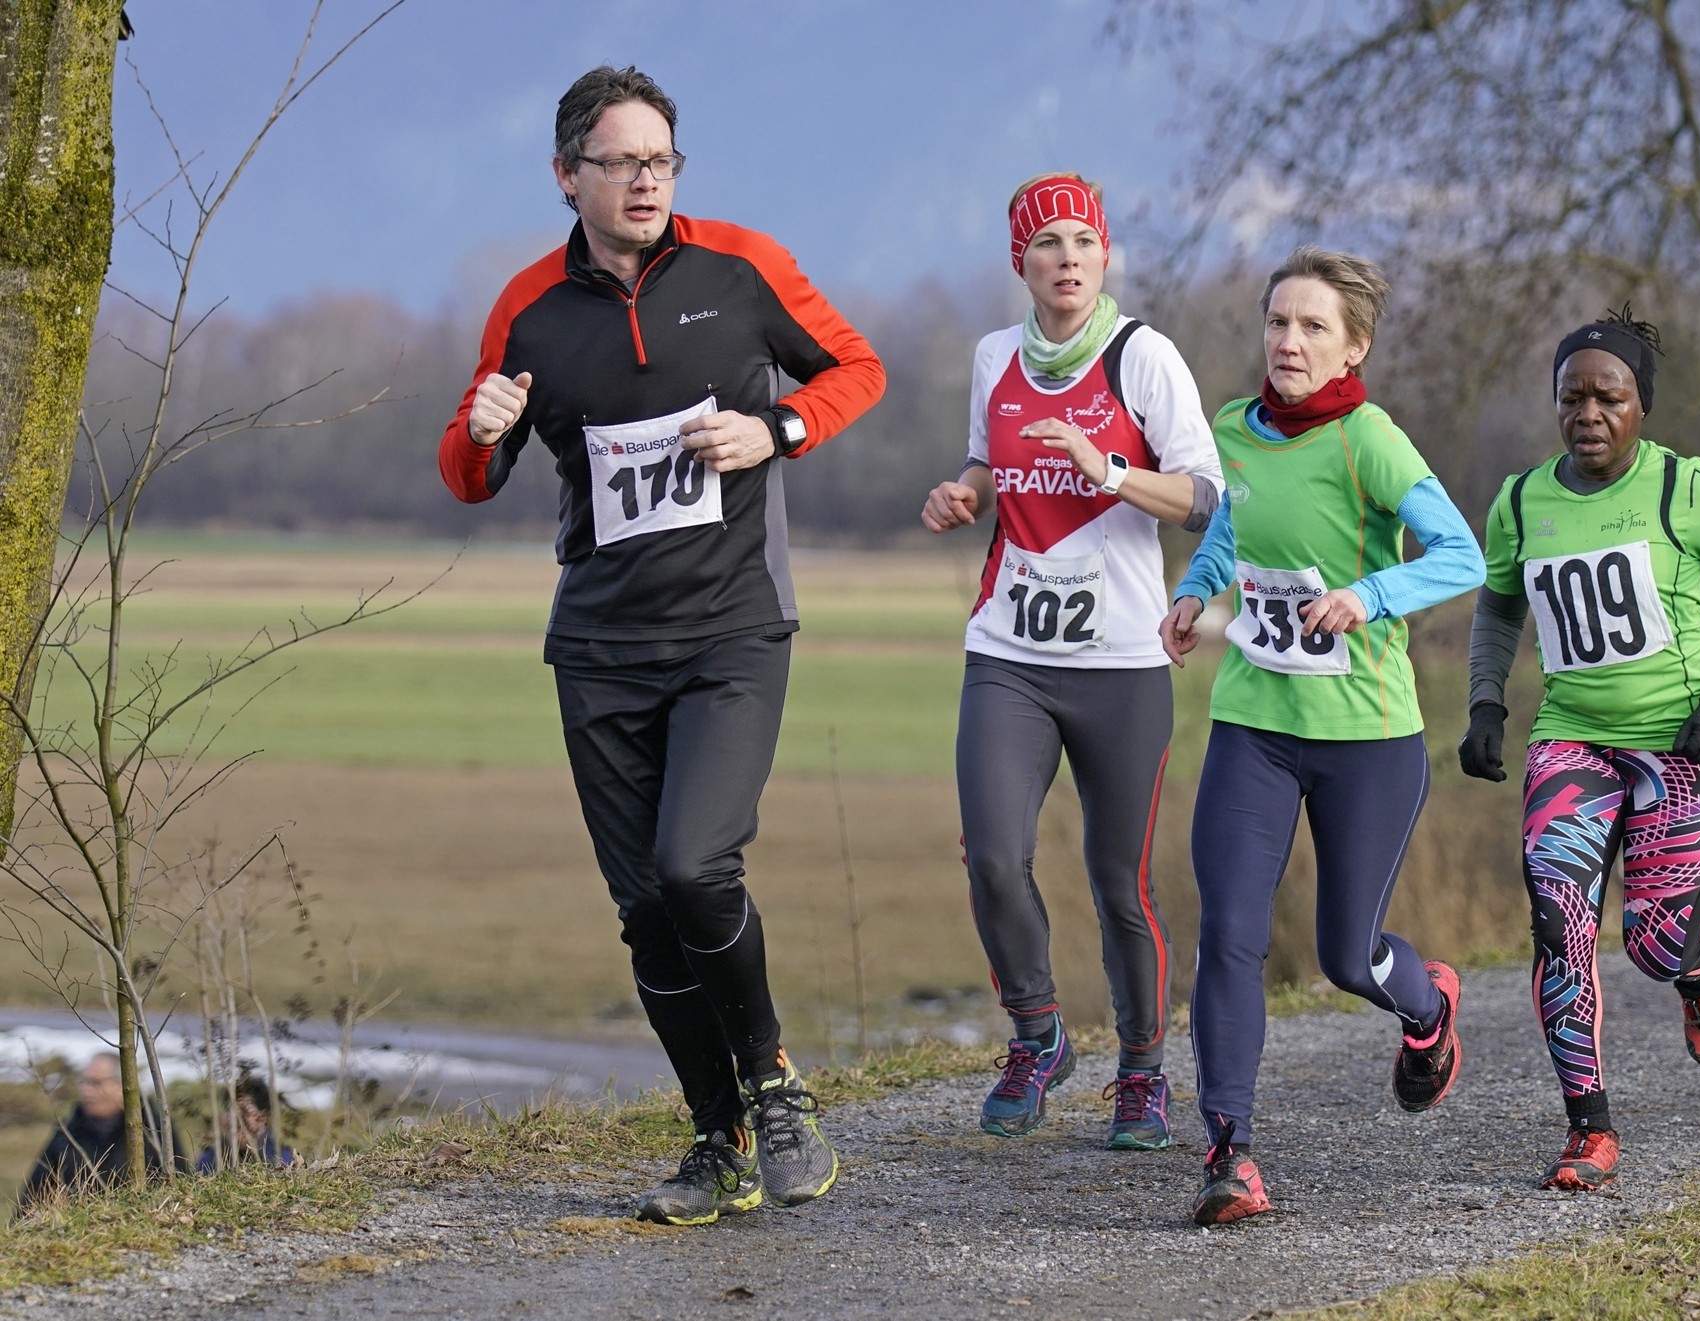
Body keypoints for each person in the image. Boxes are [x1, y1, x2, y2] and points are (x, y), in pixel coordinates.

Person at [437, 66, 884, 1226]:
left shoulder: (741, 267)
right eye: (621, 162)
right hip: (599, 643)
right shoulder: (529, 306)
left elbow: (858, 369)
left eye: (661, 161)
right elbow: (469, 468)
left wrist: (776, 427)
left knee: (697, 867)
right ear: (567, 177)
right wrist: (481, 432)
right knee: (644, 907)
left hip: (732, 625)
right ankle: (715, 1137)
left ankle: (775, 1083)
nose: (645, 180)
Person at [1161, 247, 1485, 1225]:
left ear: (1353, 348)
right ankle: (1231, 1152)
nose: (1289, 340)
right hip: (1254, 722)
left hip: (1368, 736)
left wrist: (1369, 596)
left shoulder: (1368, 442)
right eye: (1278, 322)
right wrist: (1193, 590)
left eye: (1312, 327)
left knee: (1348, 957)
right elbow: (1231, 535)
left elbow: (1460, 552)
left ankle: (1427, 1006)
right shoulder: (1233, 430)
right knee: (1229, 934)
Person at [1457, 306, 1700, 1192]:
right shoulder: (1522, 500)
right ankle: (1588, 1128)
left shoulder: (1686, 489)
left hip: (1682, 743)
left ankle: (1699, 958)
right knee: (1556, 916)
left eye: (1609, 397)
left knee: (1650, 945)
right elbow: (1496, 607)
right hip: (1571, 737)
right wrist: (1485, 702)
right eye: (1572, 397)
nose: (1588, 414)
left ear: (1641, 404)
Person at [921, 174, 1223, 1149]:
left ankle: (1142, 1072)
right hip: (1008, 649)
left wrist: (1111, 472)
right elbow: (987, 459)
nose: (1067, 258)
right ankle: (1039, 1033)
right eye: (1047, 243)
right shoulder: (994, 356)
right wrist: (964, 492)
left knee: (1116, 881)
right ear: (1023, 261)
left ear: (1105, 256)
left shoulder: (1145, 358)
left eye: (1083, 242)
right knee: (994, 857)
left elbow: (1209, 498)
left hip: (1122, 663)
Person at [17, 1052, 162, 1209]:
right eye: (84, 1082)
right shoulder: (68, 1131)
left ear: (123, 1085)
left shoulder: (153, 1129)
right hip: (75, 1230)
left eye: (96, 1083)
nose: (87, 1091)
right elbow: (33, 1196)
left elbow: (176, 1181)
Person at [194, 1075, 297, 1174]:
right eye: (229, 1111)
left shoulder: (283, 1160)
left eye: (244, 1112)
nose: (234, 1120)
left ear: (264, 1117)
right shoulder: (209, 1159)